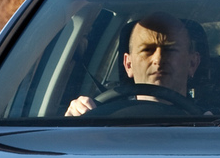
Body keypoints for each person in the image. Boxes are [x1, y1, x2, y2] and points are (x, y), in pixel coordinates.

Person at [66, 12, 200, 116]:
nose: (158, 59)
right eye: (147, 50)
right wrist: (73, 121)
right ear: (128, 64)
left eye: (170, 50)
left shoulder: (209, 122)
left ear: (192, 63)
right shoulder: (97, 116)